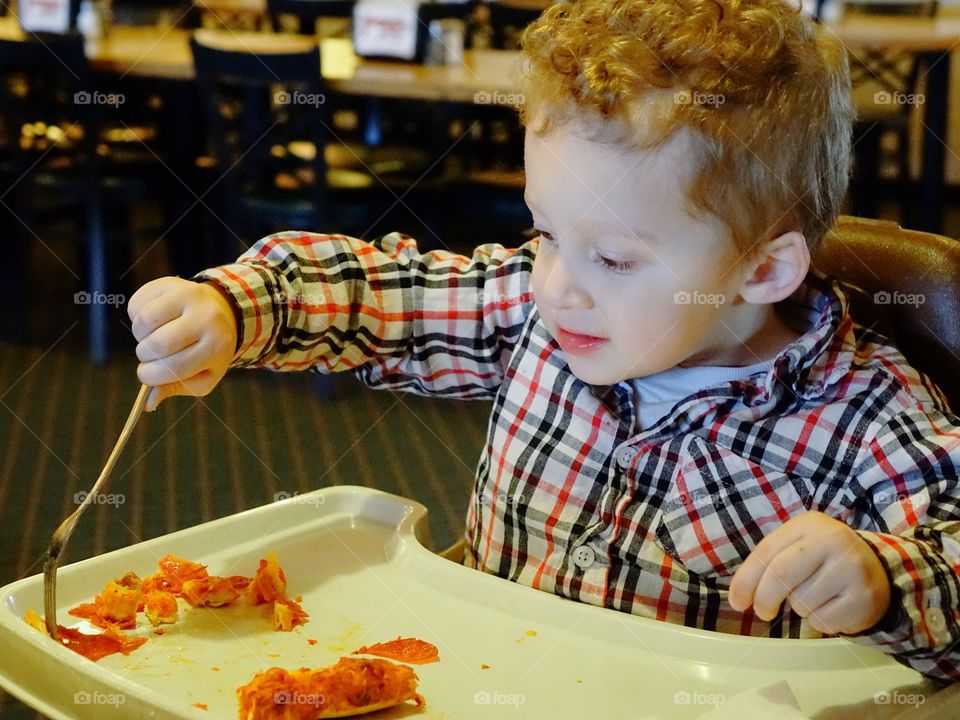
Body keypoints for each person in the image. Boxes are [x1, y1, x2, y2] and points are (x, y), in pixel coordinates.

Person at [128, 0, 960, 681]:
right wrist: (237, 311)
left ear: (765, 268)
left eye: (611, 257)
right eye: (546, 235)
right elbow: (382, 296)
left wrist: (883, 580)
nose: (555, 287)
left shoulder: (866, 415)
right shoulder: (540, 318)